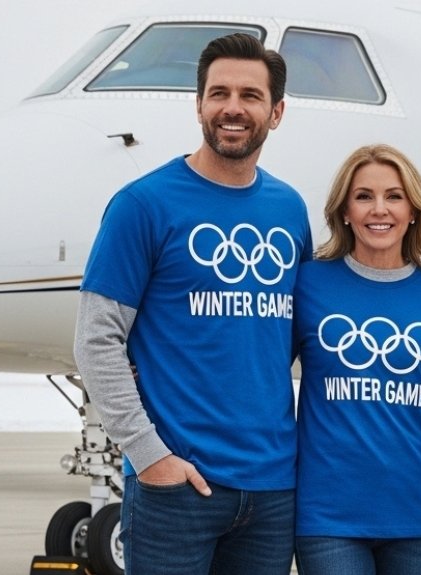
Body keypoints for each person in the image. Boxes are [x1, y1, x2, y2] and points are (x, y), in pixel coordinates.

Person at [73, 33, 312, 574]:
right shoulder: (143, 205)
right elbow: (95, 339)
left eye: (250, 96)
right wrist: (149, 455)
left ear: (276, 112)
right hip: (176, 488)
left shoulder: (289, 209)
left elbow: (296, 339)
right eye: (218, 92)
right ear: (199, 103)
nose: (233, 107)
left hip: (272, 490)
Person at [291, 143, 421, 574]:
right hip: (327, 515)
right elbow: (259, 365)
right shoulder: (309, 283)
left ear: (413, 210)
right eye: (364, 196)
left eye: (394, 196)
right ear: (345, 211)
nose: (379, 209)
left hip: (417, 513)